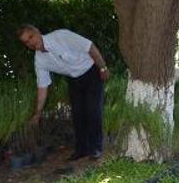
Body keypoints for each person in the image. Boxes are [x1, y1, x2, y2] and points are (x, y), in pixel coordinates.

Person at [17, 25, 110, 161]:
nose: (30, 42)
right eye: (26, 42)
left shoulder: (61, 36)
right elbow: (42, 87)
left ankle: (96, 148)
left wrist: (103, 68)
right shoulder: (39, 60)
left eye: (31, 37)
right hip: (73, 79)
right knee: (77, 114)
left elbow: (90, 47)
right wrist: (38, 113)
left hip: (91, 73)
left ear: (37, 32)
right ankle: (81, 150)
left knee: (93, 111)